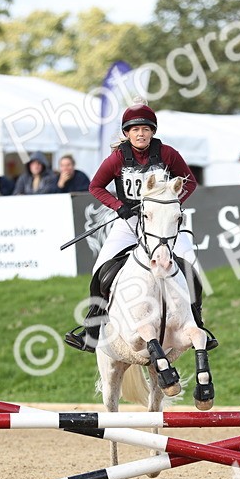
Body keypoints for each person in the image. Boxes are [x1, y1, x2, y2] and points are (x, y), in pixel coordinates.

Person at [64, 102, 217, 353]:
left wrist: (170, 205)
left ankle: (197, 322)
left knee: (192, 266)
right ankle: (92, 329)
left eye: (146, 129)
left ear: (152, 131)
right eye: (135, 130)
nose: (141, 134)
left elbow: (190, 182)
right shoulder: (117, 158)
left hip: (162, 224)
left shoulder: (167, 154)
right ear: (127, 133)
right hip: (131, 222)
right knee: (100, 266)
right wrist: (118, 206)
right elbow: (95, 187)